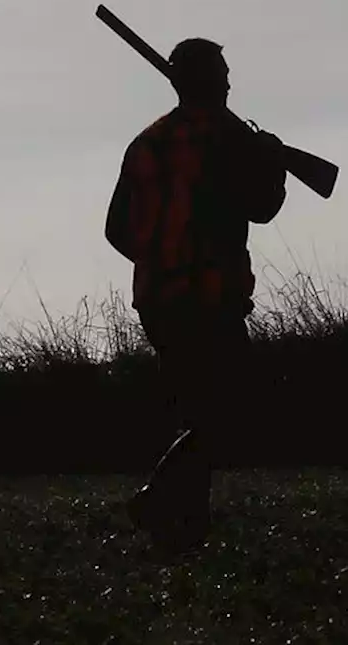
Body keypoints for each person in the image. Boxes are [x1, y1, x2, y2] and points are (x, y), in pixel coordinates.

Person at [104, 36, 287, 553]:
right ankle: (157, 497)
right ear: (207, 80)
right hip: (211, 297)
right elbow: (263, 207)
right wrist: (272, 161)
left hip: (158, 302)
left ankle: (185, 525)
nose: (230, 81)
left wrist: (159, 259)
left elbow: (117, 229)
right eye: (223, 72)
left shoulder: (145, 143)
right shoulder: (227, 141)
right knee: (232, 410)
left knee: (196, 410)